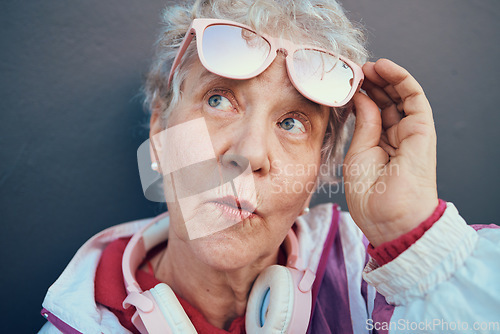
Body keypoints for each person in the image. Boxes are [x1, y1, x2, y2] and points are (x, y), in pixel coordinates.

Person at [39, 0, 500, 333]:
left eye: (292, 122)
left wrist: (415, 241)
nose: (250, 153)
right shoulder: (82, 319)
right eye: (218, 99)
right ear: (160, 130)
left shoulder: (377, 283)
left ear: (318, 172)